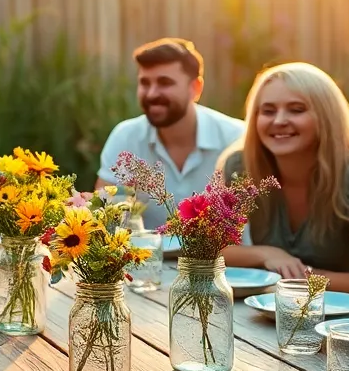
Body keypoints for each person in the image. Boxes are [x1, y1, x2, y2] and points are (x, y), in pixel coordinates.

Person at [218, 63, 349, 309]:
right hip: (280, 312)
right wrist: (268, 255)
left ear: (326, 117)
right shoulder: (242, 166)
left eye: (296, 110)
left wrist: (299, 276)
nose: (280, 120)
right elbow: (214, 249)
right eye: (268, 111)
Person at [96, 38, 245, 229]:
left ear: (195, 88)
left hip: (224, 259)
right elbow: (108, 219)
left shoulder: (236, 138)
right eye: (144, 83)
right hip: (148, 257)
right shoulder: (125, 137)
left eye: (164, 83)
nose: (151, 94)